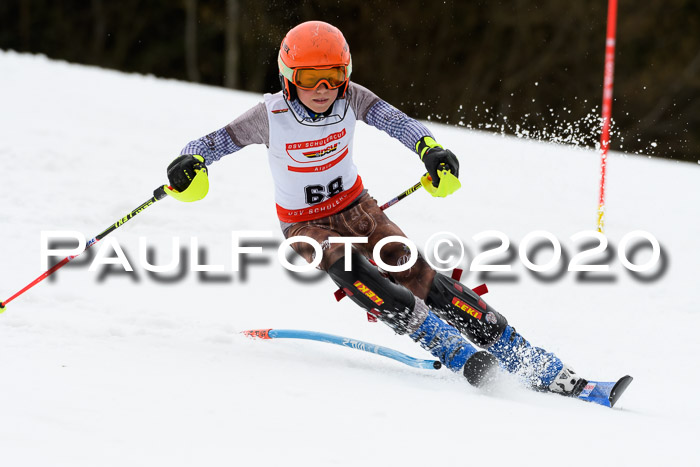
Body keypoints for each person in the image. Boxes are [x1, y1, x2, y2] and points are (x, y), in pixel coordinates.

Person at [165, 21, 586, 395]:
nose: (323, 90)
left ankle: (526, 357)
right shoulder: (269, 115)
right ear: (288, 77)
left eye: (333, 77)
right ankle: (448, 347)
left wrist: (430, 150)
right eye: (310, 78)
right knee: (346, 266)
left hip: (358, 209)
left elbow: (397, 121)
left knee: (413, 270)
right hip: (305, 226)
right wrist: (190, 160)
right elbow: (214, 143)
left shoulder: (352, 99)